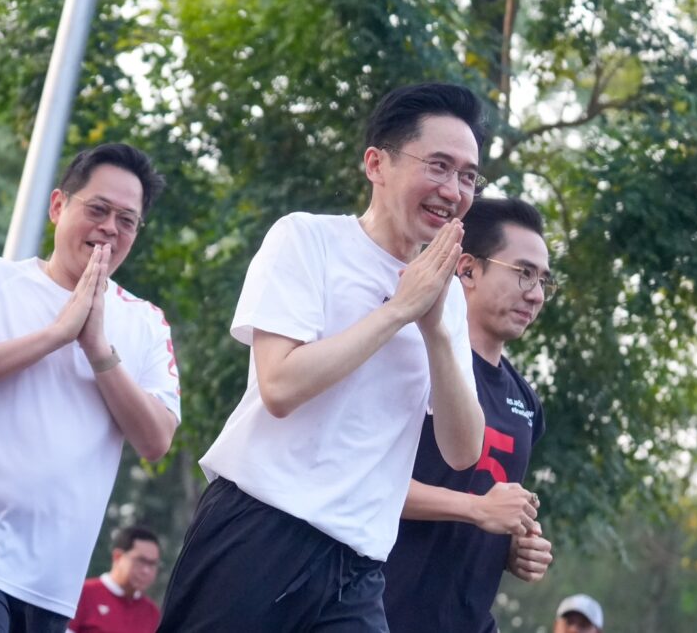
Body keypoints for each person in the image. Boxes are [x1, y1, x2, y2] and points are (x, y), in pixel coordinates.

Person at [157, 82, 488, 632]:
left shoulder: (446, 295)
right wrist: (397, 311)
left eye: (468, 176)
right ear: (377, 164)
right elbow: (280, 387)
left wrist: (434, 331)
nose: (453, 190)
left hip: (358, 568)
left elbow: (463, 450)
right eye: (438, 166)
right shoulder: (307, 240)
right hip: (259, 532)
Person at [0, 143, 181, 633]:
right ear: (58, 206)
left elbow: (156, 439)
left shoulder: (145, 322)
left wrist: (98, 349)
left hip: (53, 576)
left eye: (126, 220)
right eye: (97, 209)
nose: (109, 228)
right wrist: (56, 335)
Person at [382, 197, 557, 632]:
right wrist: (477, 509)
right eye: (523, 273)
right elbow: (361, 480)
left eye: (543, 280)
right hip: (380, 614)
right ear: (467, 269)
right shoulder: (410, 359)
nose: (535, 294)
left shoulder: (525, 401)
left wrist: (512, 549)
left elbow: (489, 508)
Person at [67, 526, 162, 633]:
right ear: (118, 556)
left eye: (152, 564)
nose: (146, 571)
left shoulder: (152, 613)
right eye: (141, 561)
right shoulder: (81, 594)